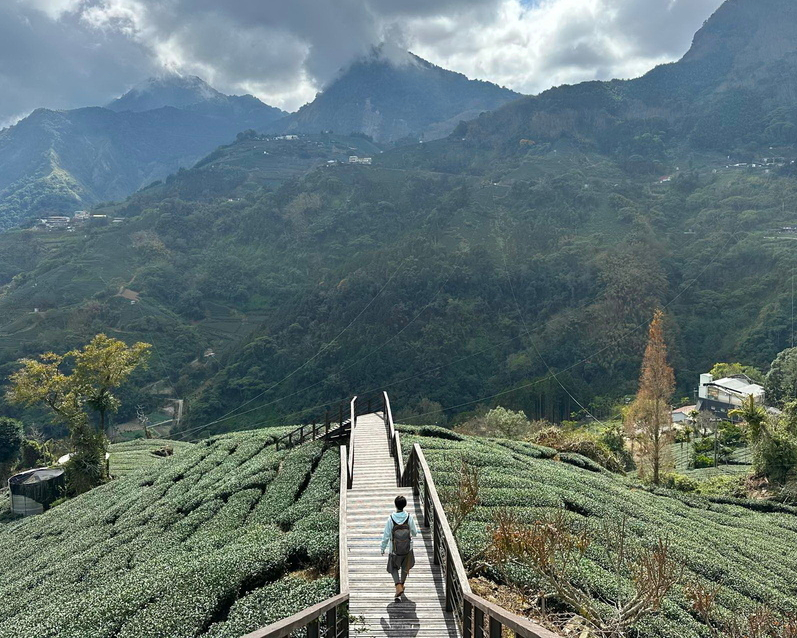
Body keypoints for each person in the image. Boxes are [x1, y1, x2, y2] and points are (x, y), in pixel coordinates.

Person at [380, 495, 418, 600]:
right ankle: (402, 584)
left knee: (393, 568)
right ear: (405, 505)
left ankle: (398, 585)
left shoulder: (391, 519)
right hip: (407, 548)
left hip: (394, 550)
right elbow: (415, 533)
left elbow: (386, 535)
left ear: (395, 505)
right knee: (405, 567)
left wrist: (383, 547)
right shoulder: (409, 517)